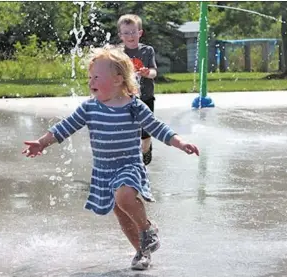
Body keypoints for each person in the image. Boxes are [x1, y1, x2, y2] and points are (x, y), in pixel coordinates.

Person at [22, 47, 199, 270]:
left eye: (97, 76)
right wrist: (42, 142)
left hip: (129, 165)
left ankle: (147, 229)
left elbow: (157, 127)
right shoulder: (89, 108)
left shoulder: (133, 106)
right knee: (123, 216)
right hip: (104, 171)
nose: (91, 81)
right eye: (90, 77)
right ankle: (141, 252)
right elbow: (64, 127)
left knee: (125, 198)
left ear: (117, 80)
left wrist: (180, 143)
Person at [117, 14, 158, 166]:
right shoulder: (119, 54)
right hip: (126, 98)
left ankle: (146, 151)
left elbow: (154, 71)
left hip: (146, 97)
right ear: (120, 35)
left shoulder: (147, 51)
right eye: (126, 33)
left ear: (140, 33)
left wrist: (148, 73)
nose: (130, 36)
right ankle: (132, 161)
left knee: (145, 133)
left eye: (133, 32)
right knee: (127, 130)